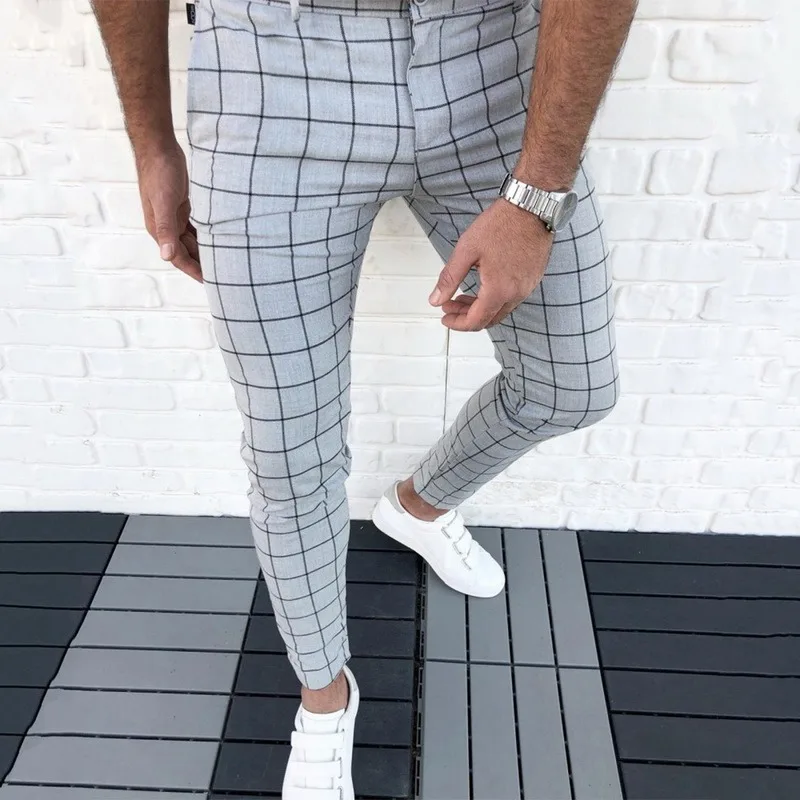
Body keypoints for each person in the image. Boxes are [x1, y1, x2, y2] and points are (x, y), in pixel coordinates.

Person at [91, 0, 635, 796]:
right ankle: (324, 696)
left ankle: (418, 506)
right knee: (291, 453)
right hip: (269, 71)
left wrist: (538, 193)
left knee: (572, 384)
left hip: (494, 55)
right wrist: (151, 144)